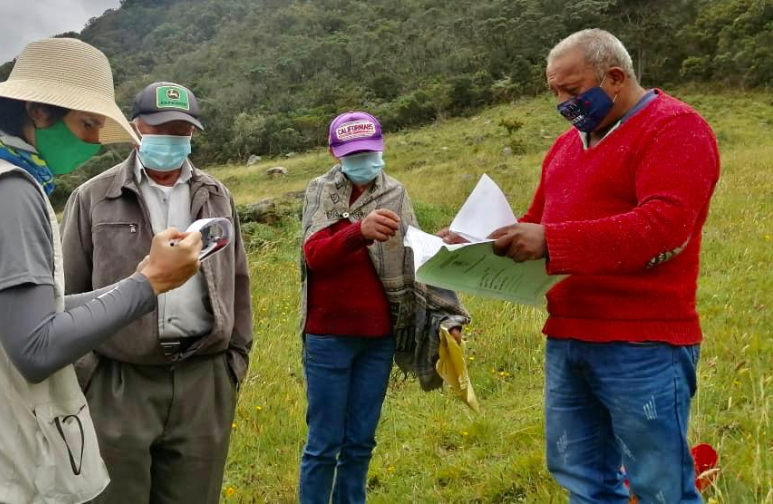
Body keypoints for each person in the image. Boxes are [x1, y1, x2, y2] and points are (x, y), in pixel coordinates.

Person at [0, 38, 203, 504]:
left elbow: (36, 310)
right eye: (87, 124)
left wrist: (137, 279)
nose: (92, 142)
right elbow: (37, 347)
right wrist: (151, 283)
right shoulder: (7, 193)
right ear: (39, 111)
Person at [480, 29, 718, 502]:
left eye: (572, 90)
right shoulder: (567, 146)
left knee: (659, 484)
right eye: (555, 93)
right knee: (580, 474)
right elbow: (537, 221)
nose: (563, 104)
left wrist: (551, 241)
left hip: (642, 341)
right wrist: (477, 240)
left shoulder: (675, 128)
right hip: (569, 335)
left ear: (614, 77)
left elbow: (664, 226)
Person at [61, 81, 252, 504]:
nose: (171, 138)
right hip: (119, 381)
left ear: (193, 133)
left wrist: (233, 363)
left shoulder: (216, 196)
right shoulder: (94, 197)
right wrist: (87, 376)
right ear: (136, 128)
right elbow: (68, 292)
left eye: (181, 130)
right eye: (160, 128)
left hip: (202, 377)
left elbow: (238, 280)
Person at [299, 111, 470, 504]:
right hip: (328, 338)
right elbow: (314, 256)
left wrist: (441, 250)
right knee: (324, 444)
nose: (363, 161)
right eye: (353, 154)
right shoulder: (321, 191)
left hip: (378, 339)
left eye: (369, 152)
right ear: (334, 153)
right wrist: (357, 232)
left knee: (360, 441)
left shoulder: (395, 193)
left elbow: (414, 256)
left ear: (382, 148)